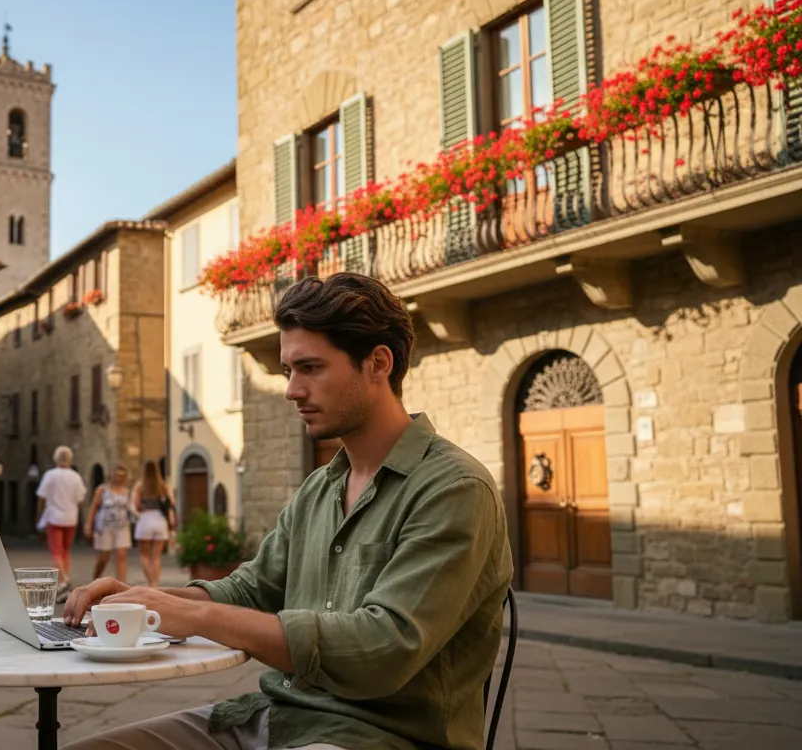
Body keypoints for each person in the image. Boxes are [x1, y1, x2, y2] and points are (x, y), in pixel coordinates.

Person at [63, 273, 513, 750]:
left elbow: (384, 645)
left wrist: (191, 618)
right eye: (288, 371)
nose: (292, 390)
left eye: (311, 368)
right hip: (276, 718)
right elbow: (248, 590)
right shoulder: (319, 488)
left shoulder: (454, 488)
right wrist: (142, 601)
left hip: (380, 737)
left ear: (378, 363)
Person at [34, 445, 86, 597]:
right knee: (65, 550)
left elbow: (41, 497)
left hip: (54, 516)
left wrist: (38, 515)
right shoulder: (76, 476)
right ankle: (62, 580)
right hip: (71, 517)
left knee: (56, 551)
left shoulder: (50, 475)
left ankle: (63, 580)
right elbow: (81, 499)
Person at [83, 465, 133, 583]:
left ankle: (121, 584)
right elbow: (94, 507)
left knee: (121, 555)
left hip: (122, 526)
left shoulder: (126, 491)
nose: (119, 478)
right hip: (104, 526)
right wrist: (88, 524)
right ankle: (96, 578)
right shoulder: (102, 489)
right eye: (117, 474)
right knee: (103, 557)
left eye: (122, 475)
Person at [131, 460, 175, 587]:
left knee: (144, 556)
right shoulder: (162, 486)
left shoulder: (140, 486)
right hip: (160, 521)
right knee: (156, 557)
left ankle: (151, 582)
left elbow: (137, 506)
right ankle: (156, 582)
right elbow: (170, 504)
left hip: (145, 520)